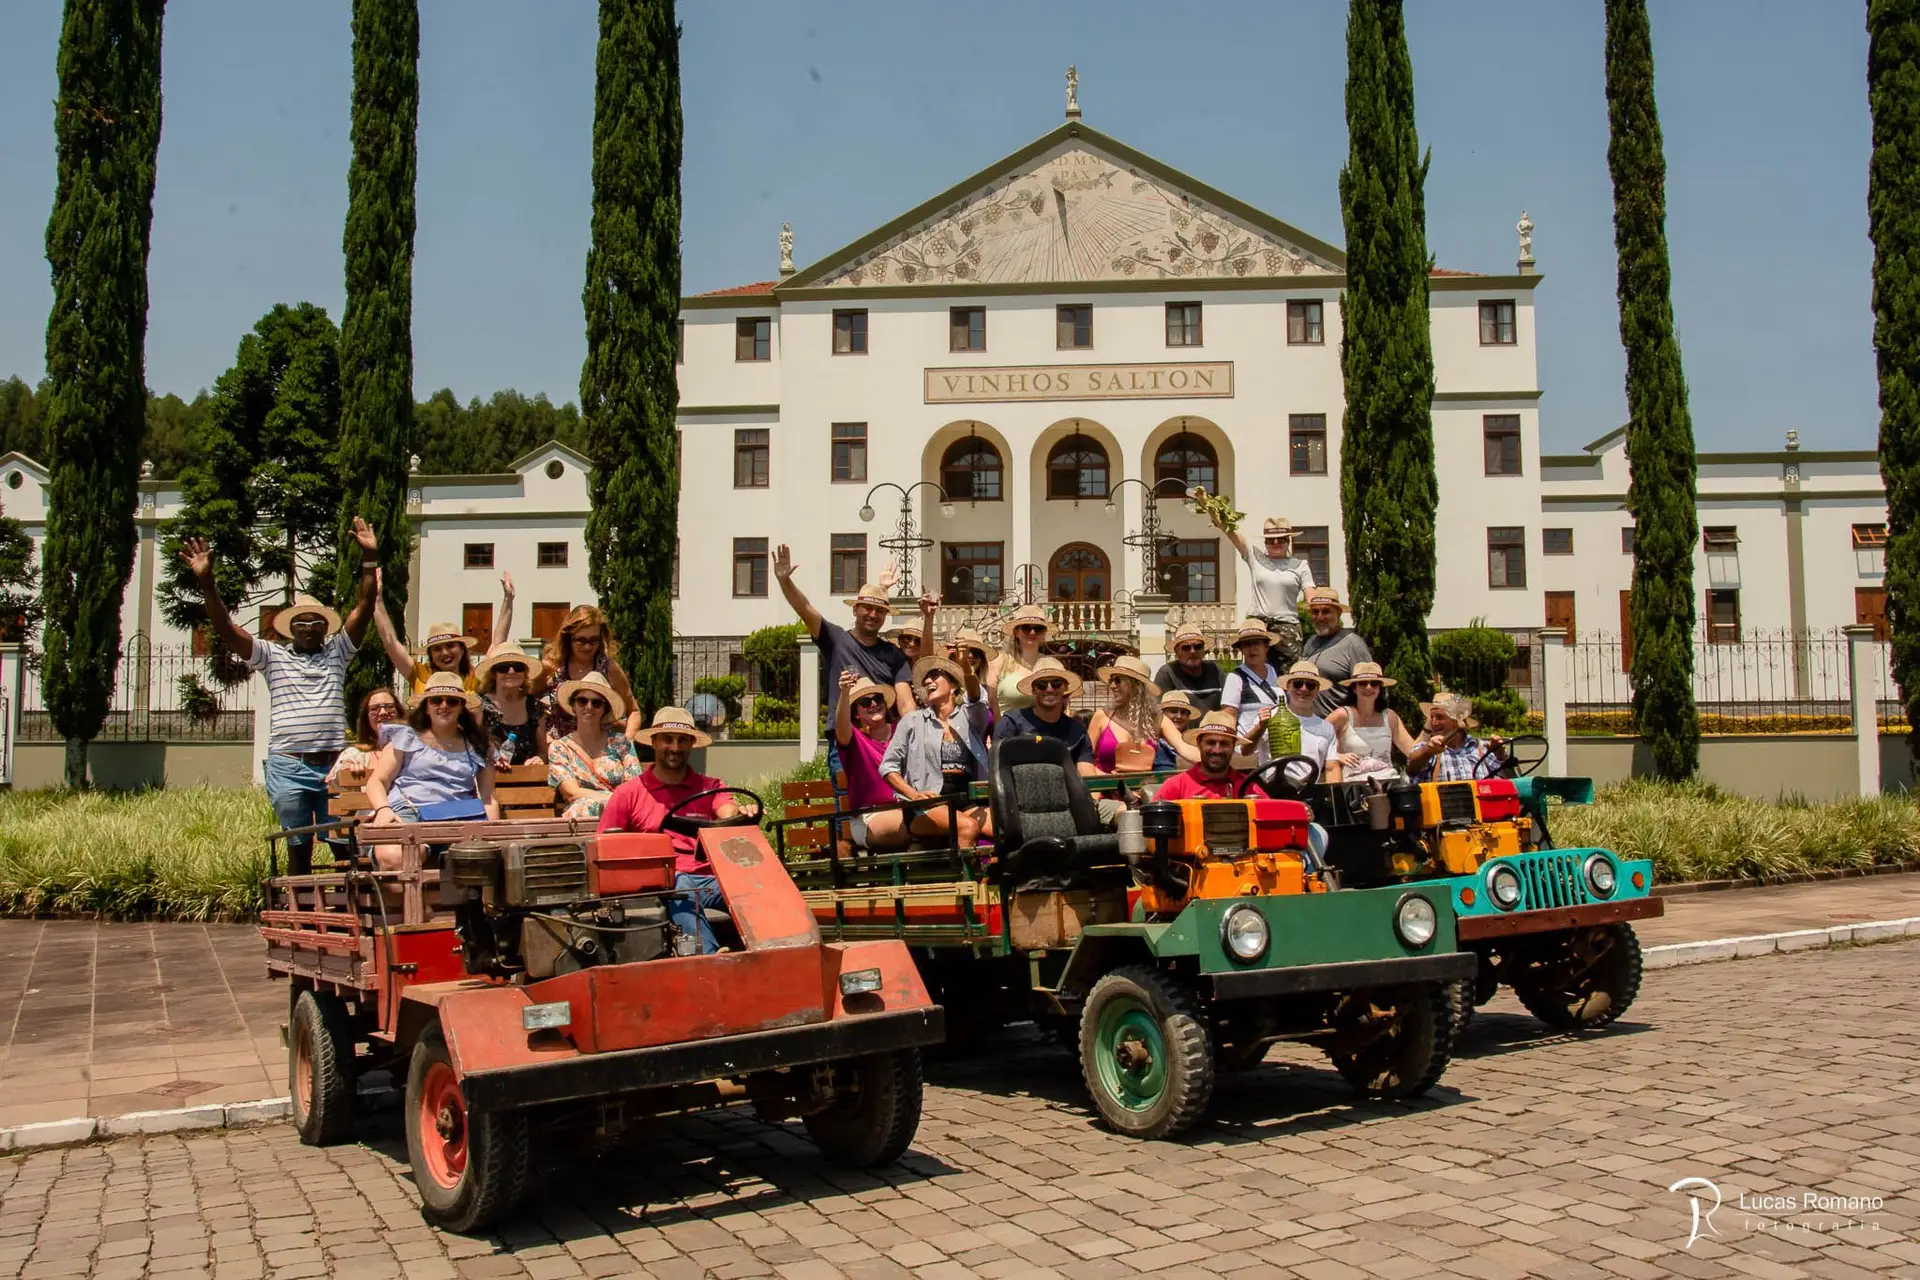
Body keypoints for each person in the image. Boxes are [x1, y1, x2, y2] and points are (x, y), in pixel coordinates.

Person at [177, 520, 379, 872]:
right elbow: (226, 629)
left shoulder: (339, 652)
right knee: (298, 845)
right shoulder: (272, 655)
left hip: (334, 764)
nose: (308, 628)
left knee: (345, 845)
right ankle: (301, 911)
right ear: (290, 628)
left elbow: (365, 605)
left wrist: (369, 557)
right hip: (290, 764)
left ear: (325, 627)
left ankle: (349, 916)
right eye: (301, 622)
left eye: (316, 622)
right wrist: (207, 582)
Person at [598, 708, 742, 954]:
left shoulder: (710, 787)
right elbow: (605, 852)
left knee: (752, 884)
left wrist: (740, 814)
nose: (675, 747)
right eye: (667, 739)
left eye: (682, 740)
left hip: (711, 880)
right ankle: (707, 958)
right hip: (662, 884)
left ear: (691, 744)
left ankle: (781, 949)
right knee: (681, 883)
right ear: (653, 742)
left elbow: (726, 810)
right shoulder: (628, 794)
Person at [773, 545, 914, 775]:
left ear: (885, 616)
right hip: (845, 743)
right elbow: (805, 608)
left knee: (891, 805)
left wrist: (914, 737)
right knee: (848, 809)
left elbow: (907, 705)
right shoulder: (836, 640)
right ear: (855, 610)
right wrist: (784, 581)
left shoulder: (894, 654)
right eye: (867, 608)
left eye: (879, 610)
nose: (872, 614)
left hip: (887, 744)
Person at [361, 672, 500, 869]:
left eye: (452, 701)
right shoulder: (405, 737)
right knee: (394, 856)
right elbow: (378, 781)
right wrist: (383, 810)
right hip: (409, 812)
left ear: (461, 707)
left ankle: (433, 899)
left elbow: (489, 799)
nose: (443, 706)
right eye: (436, 700)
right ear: (426, 707)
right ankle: (417, 899)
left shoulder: (478, 744)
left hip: (458, 818)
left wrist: (491, 835)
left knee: (477, 862)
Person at [879, 654, 992, 847]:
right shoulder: (912, 721)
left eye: (935, 675)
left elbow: (977, 700)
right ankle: (964, 878)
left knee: (1006, 825)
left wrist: (966, 669)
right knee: (968, 827)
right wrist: (914, 795)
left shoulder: (969, 718)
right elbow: (888, 767)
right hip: (926, 805)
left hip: (967, 801)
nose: (928, 681)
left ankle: (996, 877)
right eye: (925, 679)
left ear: (954, 685)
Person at [372, 572, 512, 694]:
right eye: (437, 649)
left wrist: (508, 599)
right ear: (431, 654)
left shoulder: (474, 678)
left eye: (450, 646)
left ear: (462, 649)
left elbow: (497, 644)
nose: (445, 653)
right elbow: (391, 643)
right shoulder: (420, 674)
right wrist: (377, 601)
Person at [547, 672, 643, 820]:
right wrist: (610, 799)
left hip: (620, 815)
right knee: (586, 806)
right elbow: (572, 793)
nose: (589, 707)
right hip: (581, 817)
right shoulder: (560, 747)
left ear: (605, 709)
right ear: (573, 705)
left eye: (597, 703)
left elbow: (634, 788)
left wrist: (614, 803)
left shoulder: (622, 743)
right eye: (582, 701)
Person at [536, 606, 642, 740]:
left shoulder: (608, 668)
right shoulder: (553, 666)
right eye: (580, 640)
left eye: (593, 640)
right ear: (568, 637)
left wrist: (627, 742)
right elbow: (531, 705)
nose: (587, 647)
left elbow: (634, 711)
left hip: (598, 749)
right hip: (558, 750)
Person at [1219, 517, 1315, 665]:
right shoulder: (1255, 557)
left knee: (1287, 674)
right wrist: (1211, 509)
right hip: (1258, 625)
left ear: (1288, 540)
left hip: (1287, 626)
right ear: (1265, 542)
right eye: (1270, 540)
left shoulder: (1300, 565)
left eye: (1281, 539)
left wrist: (1320, 609)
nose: (1275, 543)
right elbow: (1231, 533)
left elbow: (1311, 597)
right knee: (1255, 671)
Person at [832, 672, 909, 852]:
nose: (873, 704)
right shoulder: (854, 740)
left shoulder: (903, 731)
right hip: (868, 816)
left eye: (877, 699)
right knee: (917, 825)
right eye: (865, 703)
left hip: (908, 808)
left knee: (931, 824)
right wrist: (844, 693)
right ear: (856, 714)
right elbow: (841, 726)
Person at [1326, 661, 1419, 778]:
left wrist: (1428, 728)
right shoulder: (1342, 715)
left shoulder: (1390, 717)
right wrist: (1335, 755)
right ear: (1354, 688)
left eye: (1374, 683)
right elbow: (1313, 742)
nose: (1368, 687)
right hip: (1354, 787)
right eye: (1363, 683)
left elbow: (1413, 751)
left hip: (1389, 782)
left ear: (1380, 688)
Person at [1218, 619, 1284, 767]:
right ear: (1241, 649)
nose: (1252, 649)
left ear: (1266, 646)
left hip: (1276, 751)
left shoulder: (1275, 672)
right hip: (1247, 754)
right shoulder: (1235, 677)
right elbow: (1228, 717)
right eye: (1247, 644)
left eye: (1256, 643)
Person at [1086, 655, 1167, 774]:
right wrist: (1111, 782)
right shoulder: (1101, 717)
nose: (1112, 686)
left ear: (1136, 685)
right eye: (1111, 680)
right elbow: (1084, 761)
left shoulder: (1156, 720)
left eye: (1118, 680)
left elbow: (1184, 748)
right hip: (1102, 789)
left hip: (1141, 790)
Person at [1301, 588, 1373, 716]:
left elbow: (1368, 690)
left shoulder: (1353, 644)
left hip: (1340, 728)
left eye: (1326, 612)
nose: (1320, 617)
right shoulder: (1310, 642)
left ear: (1338, 613)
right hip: (1309, 726)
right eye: (1315, 612)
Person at [1271, 661, 1346, 784]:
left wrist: (1335, 798)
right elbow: (1246, 750)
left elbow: (1332, 768)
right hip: (1272, 795)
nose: (1304, 689)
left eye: (1310, 685)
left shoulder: (1326, 728)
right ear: (1288, 686)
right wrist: (1259, 727)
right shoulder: (1270, 718)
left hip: (1310, 795)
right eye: (1298, 683)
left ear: (1317, 690)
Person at [475, 642, 548, 767]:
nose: (511, 671)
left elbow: (543, 753)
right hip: (490, 777)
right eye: (503, 667)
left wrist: (538, 759)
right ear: (493, 674)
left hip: (527, 779)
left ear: (525, 673)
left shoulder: (535, 707)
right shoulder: (479, 705)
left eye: (518, 667)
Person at [1408, 693, 1510, 782]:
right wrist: (1428, 751)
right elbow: (1411, 767)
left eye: (1440, 717)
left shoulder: (1481, 747)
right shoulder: (1427, 750)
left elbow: (1508, 779)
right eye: (1432, 717)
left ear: (1456, 720)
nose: (1434, 722)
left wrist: (1499, 753)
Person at [1152, 710, 1248, 801]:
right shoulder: (1176, 786)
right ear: (1199, 743)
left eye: (1224, 744)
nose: (1217, 750)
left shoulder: (1249, 785)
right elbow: (1153, 817)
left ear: (1233, 745)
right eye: (1211, 743)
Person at [985, 603, 1051, 719]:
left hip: (1046, 735)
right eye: (1026, 628)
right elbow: (991, 704)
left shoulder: (1051, 664)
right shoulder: (999, 662)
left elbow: (1064, 706)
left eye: (1038, 628)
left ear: (1043, 633)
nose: (1032, 633)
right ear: (1016, 632)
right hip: (1008, 733)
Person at [327, 688, 403, 786]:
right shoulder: (354, 755)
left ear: (399, 713)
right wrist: (344, 770)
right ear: (367, 719)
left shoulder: (415, 751)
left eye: (389, 707)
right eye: (374, 709)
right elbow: (332, 784)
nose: (383, 712)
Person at [1152, 625, 1224, 712]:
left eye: (1197, 646)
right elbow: (1157, 711)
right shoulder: (1168, 673)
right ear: (1176, 651)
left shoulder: (1216, 670)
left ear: (1204, 650)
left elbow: (1228, 707)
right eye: (1186, 647)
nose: (1192, 651)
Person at [1155, 690, 1204, 769]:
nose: (1178, 716)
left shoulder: (1195, 743)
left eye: (1183, 712)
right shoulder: (1153, 743)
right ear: (1162, 714)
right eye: (1173, 711)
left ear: (1188, 717)